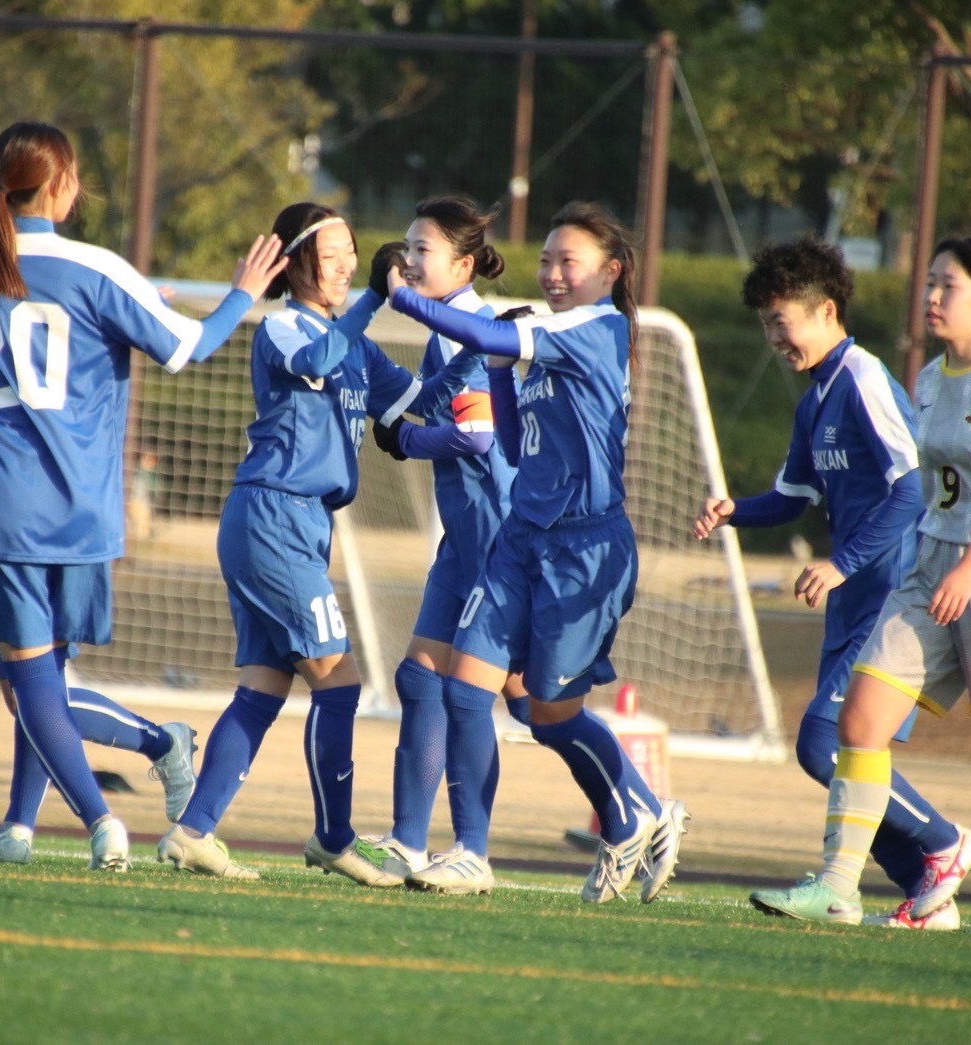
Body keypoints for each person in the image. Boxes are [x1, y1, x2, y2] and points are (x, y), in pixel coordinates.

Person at [0, 121, 287, 872]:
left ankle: (99, 817)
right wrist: (241, 295)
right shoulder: (96, 268)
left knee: (31, 684)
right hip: (72, 510)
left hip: (8, 506)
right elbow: (190, 346)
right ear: (61, 183)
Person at [749, 236, 971, 941]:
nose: (931, 296)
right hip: (932, 566)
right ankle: (837, 886)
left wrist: (966, 567)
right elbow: (922, 487)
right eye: (929, 283)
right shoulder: (928, 378)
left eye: (947, 286)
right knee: (856, 723)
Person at [157, 203, 480, 885]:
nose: (343, 265)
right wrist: (373, 298)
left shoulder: (353, 343)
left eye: (349, 252)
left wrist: (478, 352)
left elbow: (420, 401)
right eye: (330, 255)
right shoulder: (284, 327)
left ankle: (192, 832)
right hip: (273, 517)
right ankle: (334, 838)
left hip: (299, 526)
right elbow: (317, 358)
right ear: (297, 263)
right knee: (339, 684)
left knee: (264, 685)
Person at [384, 201, 689, 904]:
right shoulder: (552, 339)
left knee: (549, 711)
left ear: (611, 272)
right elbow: (518, 441)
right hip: (521, 538)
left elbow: (477, 329)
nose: (551, 274)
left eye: (567, 262)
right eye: (546, 260)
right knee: (464, 688)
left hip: (584, 551)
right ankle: (470, 852)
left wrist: (401, 295)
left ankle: (633, 814)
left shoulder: (596, 328)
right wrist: (499, 369)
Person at [694, 238, 971, 930]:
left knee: (827, 744)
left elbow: (911, 489)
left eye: (781, 320)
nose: (773, 337)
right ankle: (924, 891)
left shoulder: (862, 378)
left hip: (892, 595)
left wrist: (841, 563)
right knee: (840, 751)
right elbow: (793, 497)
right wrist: (735, 511)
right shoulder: (815, 400)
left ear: (826, 310)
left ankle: (943, 843)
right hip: (853, 604)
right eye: (765, 323)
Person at [361, 195, 531, 894]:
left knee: (527, 703)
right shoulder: (446, 333)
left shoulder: (476, 328)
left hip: (497, 541)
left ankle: (628, 812)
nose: (407, 260)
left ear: (463, 265)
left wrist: (406, 440)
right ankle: (408, 840)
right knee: (420, 679)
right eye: (405, 246)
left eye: (421, 249)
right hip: (462, 541)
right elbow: (438, 402)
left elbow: (477, 437)